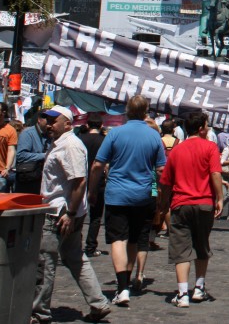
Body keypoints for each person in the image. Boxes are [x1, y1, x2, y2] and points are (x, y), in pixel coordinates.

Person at [31, 106, 111, 323]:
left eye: (53, 120)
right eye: (47, 120)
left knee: (45, 262)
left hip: (60, 213)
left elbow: (79, 180)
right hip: (65, 211)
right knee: (75, 258)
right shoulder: (61, 144)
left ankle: (39, 313)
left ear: (67, 123)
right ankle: (98, 302)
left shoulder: (70, 145)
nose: (48, 124)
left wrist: (71, 213)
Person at [89, 95, 168, 308]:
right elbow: (161, 169)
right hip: (143, 195)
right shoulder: (153, 136)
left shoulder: (115, 134)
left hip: (117, 194)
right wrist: (161, 193)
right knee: (134, 239)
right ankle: (129, 279)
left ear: (126, 110)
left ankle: (122, 287)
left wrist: (92, 189)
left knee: (118, 240)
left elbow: (98, 165)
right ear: (146, 111)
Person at [157, 111, 223, 308]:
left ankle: (183, 292)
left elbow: (166, 182)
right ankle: (199, 287)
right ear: (201, 128)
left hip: (181, 203)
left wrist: (163, 203)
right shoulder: (210, 147)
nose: (209, 127)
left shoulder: (177, 149)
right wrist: (219, 197)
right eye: (207, 124)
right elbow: (215, 173)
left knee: (181, 248)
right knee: (202, 245)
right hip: (204, 203)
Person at [80, 113, 108, 258]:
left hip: (80, 179)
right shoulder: (104, 140)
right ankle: (90, 246)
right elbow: (107, 164)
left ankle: (75, 243)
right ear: (101, 126)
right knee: (96, 216)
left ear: (87, 125)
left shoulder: (79, 139)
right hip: (99, 181)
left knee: (78, 213)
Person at [15, 107, 52, 194]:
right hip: (28, 180)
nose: (50, 122)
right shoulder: (28, 133)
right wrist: (45, 155)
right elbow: (21, 156)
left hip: (45, 180)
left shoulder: (51, 134)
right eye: (48, 119)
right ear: (39, 119)